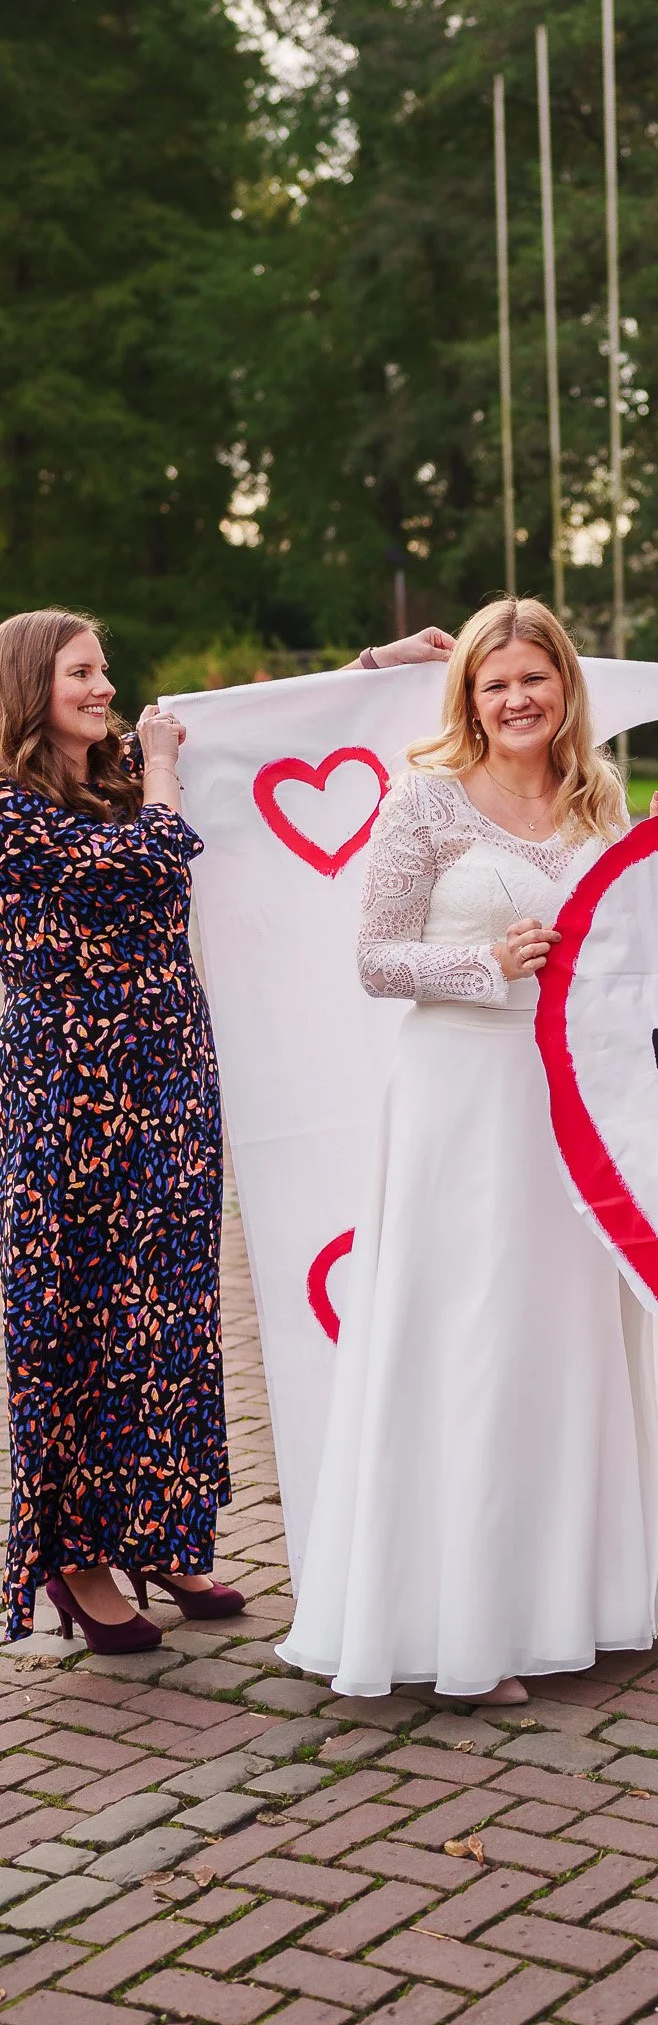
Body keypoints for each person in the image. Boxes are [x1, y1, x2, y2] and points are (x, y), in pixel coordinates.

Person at [0, 609, 453, 1651]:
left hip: (168, 1082)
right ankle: (75, 1560)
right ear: (34, 686)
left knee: (167, 1313)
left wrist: (374, 667)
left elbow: (257, 749)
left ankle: (156, 1529)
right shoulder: (13, 810)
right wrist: (160, 764)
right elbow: (148, 865)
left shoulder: (120, 777)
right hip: (69, 1101)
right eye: (81, 671)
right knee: (77, 1318)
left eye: (106, 668)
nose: (103, 686)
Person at [281, 598, 658, 1705]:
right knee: (469, 1340)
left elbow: (635, 947)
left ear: (565, 687)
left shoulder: (596, 799)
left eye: (534, 680)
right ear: (467, 696)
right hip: (460, 1095)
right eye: (493, 683)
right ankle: (465, 1628)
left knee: (562, 1337)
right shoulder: (424, 799)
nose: (516, 700)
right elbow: (374, 958)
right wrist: (486, 967)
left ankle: (577, 1599)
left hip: (569, 1099)